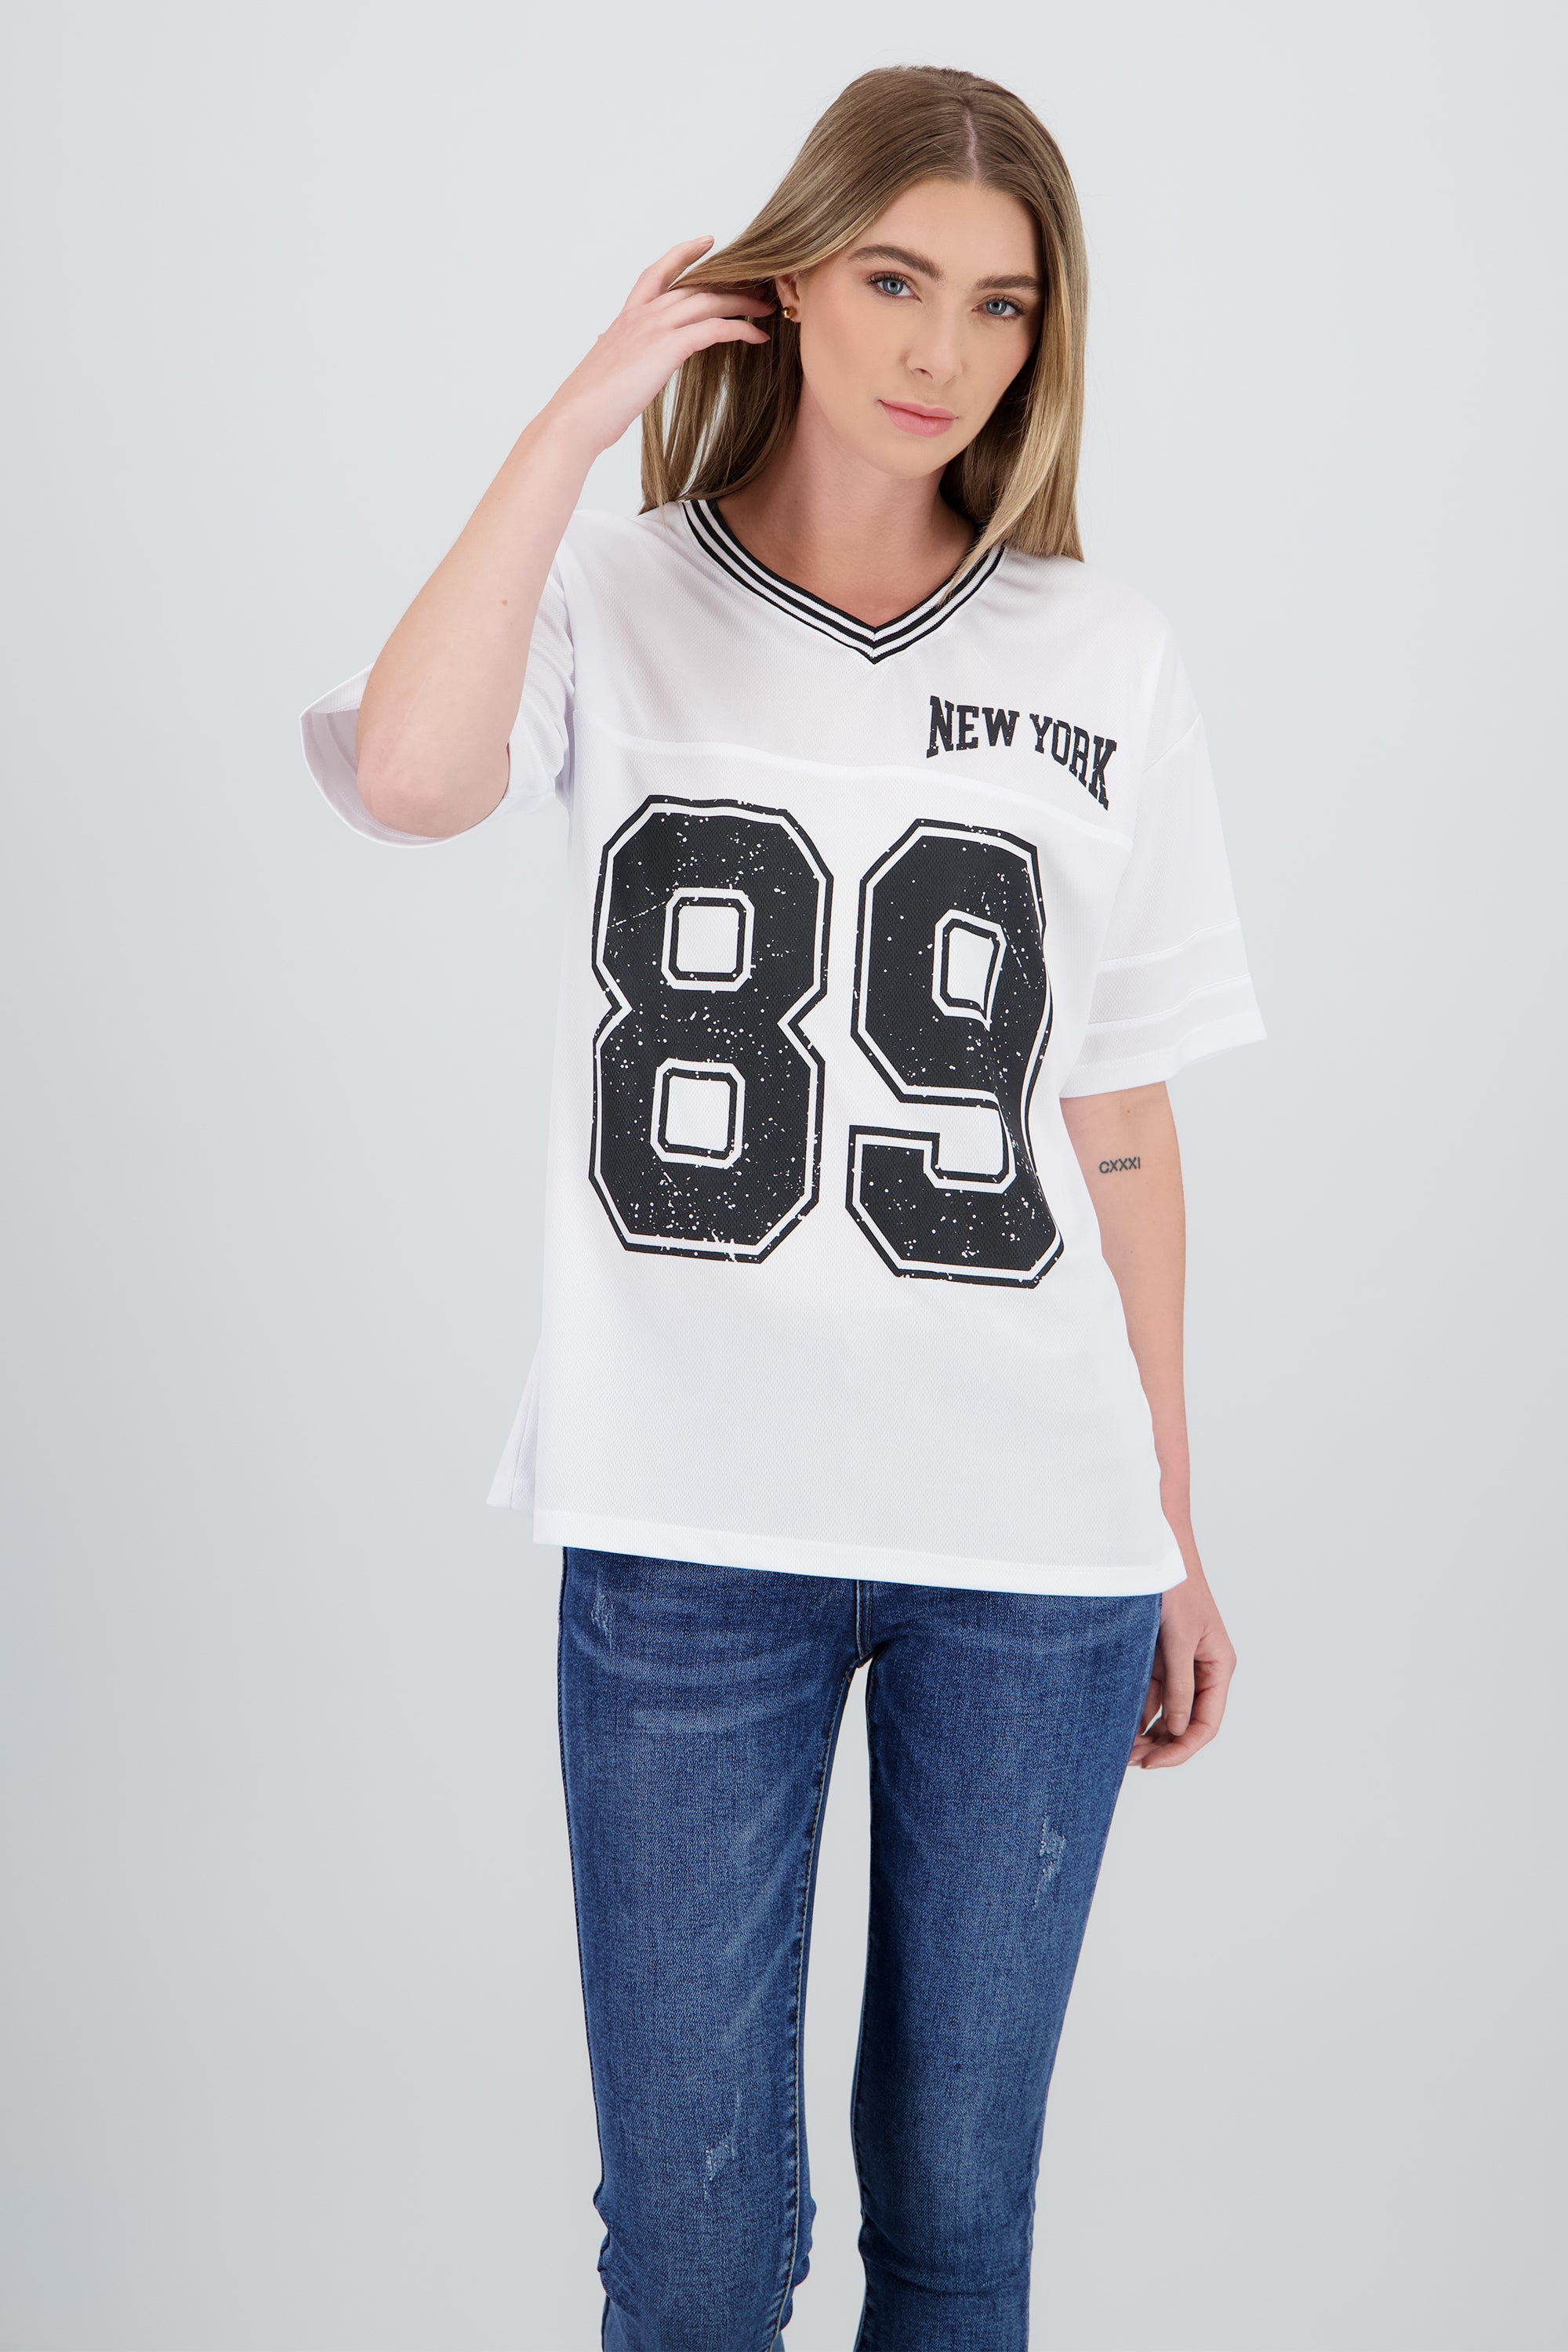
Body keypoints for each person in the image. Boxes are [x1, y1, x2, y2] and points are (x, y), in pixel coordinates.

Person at [301, 62, 1264, 2352]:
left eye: (1000, 305)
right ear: (791, 281)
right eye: (894, 279)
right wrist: (575, 421)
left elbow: (1119, 1115)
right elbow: (413, 776)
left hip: (1031, 1546)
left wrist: (1171, 1523)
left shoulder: (1103, 654)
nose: (942, 348)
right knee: (700, 2252)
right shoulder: (613, 593)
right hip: (685, 1529)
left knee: (956, 2224)